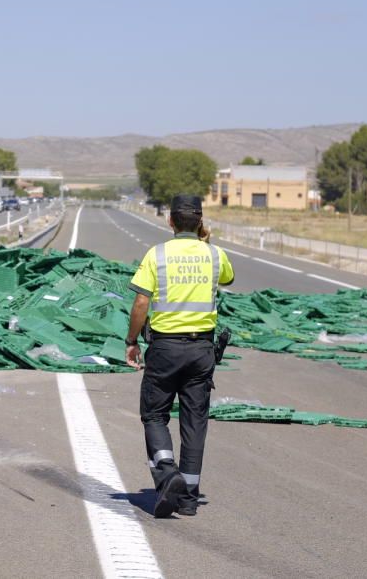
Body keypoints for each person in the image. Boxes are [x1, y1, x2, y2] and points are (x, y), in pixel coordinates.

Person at [124, 194, 234, 518]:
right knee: (194, 421)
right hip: (202, 351)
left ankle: (166, 469)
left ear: (169, 221)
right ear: (200, 222)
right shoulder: (215, 255)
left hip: (165, 349)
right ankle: (187, 499)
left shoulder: (156, 255)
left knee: (155, 414)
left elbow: (142, 303)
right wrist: (207, 242)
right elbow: (228, 278)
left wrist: (132, 340)